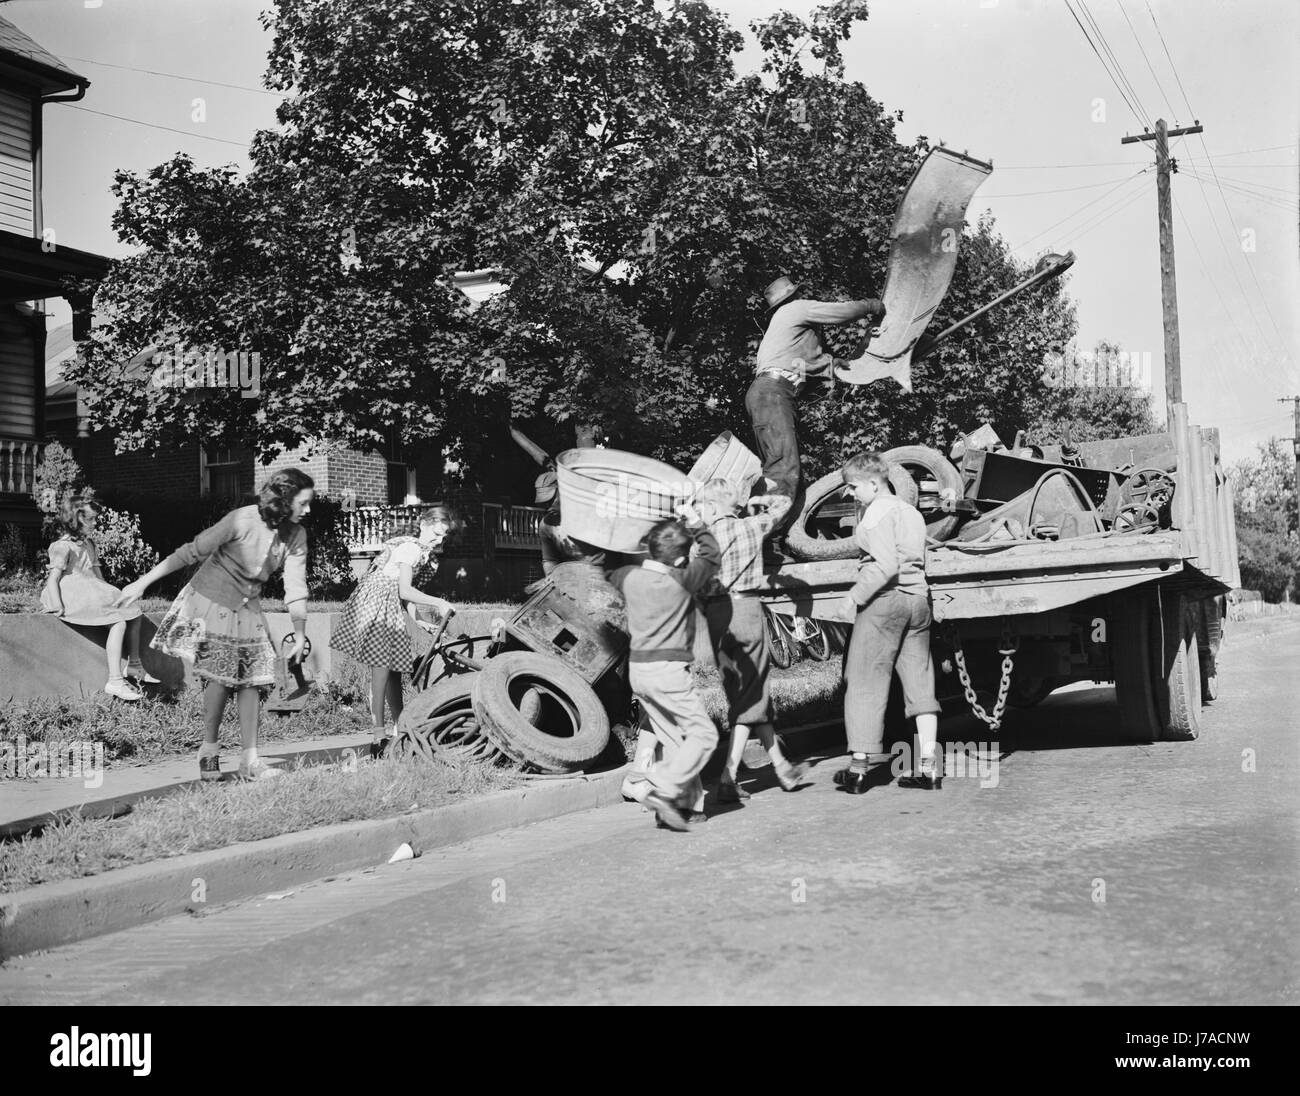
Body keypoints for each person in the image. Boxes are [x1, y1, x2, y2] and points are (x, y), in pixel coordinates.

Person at [116, 468, 316, 781]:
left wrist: (300, 632)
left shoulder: (296, 535)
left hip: (247, 606)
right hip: (211, 600)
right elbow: (192, 551)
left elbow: (295, 585)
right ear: (285, 499)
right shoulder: (242, 520)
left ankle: (250, 760)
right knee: (221, 677)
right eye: (303, 502)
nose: (308, 509)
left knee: (253, 679)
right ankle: (209, 750)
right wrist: (141, 583)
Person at [745, 276, 886, 548]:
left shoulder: (792, 337)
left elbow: (829, 366)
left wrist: (868, 344)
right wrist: (872, 305)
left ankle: (775, 541)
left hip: (773, 394)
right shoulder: (795, 309)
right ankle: (761, 542)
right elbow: (842, 312)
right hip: (773, 393)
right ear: (793, 296)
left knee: (787, 472)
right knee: (784, 470)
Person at [691, 478, 807, 801]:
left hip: (716, 616)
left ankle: (782, 766)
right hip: (745, 610)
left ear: (712, 507)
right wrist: (758, 503)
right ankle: (728, 777)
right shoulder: (750, 527)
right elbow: (783, 505)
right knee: (751, 691)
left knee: (743, 691)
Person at [833, 452, 942, 793]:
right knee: (920, 685)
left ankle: (858, 770)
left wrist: (853, 597)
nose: (850, 495)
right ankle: (928, 768)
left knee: (864, 680)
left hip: (884, 602)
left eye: (852, 488)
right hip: (918, 602)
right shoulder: (911, 512)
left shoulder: (874, 514)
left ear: (873, 483)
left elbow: (884, 566)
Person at [610, 510, 721, 832]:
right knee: (703, 734)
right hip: (669, 670)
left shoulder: (627, 576)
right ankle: (664, 788)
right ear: (683, 556)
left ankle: (687, 806)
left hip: (639, 671)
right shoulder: (682, 580)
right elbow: (712, 556)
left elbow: (604, 568)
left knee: (673, 735)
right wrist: (698, 523)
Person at [330, 506, 456, 757]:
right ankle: (377, 735)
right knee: (381, 670)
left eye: (443, 536)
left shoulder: (424, 555)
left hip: (390, 605)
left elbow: (406, 600)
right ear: (423, 525)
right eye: (436, 533)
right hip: (376, 605)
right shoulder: (410, 548)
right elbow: (405, 591)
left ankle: (401, 728)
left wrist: (424, 623)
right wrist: (439, 602)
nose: (439, 540)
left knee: (395, 670)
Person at [40, 495, 152, 701]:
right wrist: (57, 604)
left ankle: (134, 665)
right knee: (118, 623)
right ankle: (115, 680)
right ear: (75, 519)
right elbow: (53, 579)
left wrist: (111, 594)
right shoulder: (61, 546)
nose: (94, 523)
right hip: (72, 593)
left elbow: (98, 577)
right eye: (90, 519)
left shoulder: (89, 544)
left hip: (92, 589)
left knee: (134, 611)